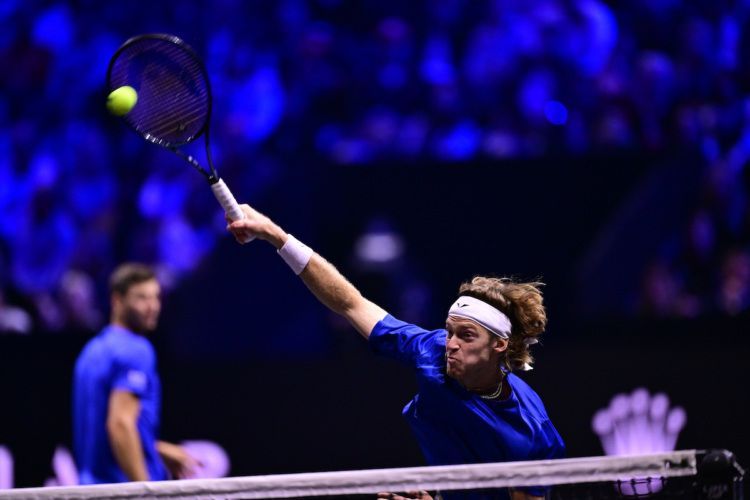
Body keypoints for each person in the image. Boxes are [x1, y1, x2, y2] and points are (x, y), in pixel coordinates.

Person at [226, 205, 565, 500]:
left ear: (499, 345)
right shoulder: (431, 351)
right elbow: (350, 302)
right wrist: (276, 236)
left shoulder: (531, 431)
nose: (451, 344)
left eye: (466, 335)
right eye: (449, 332)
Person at [72, 263, 198, 484]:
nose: (153, 306)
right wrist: (144, 491)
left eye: (156, 297)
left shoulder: (91, 351)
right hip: (121, 489)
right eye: (141, 298)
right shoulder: (136, 350)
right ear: (117, 301)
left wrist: (156, 449)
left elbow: (104, 426)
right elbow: (120, 424)